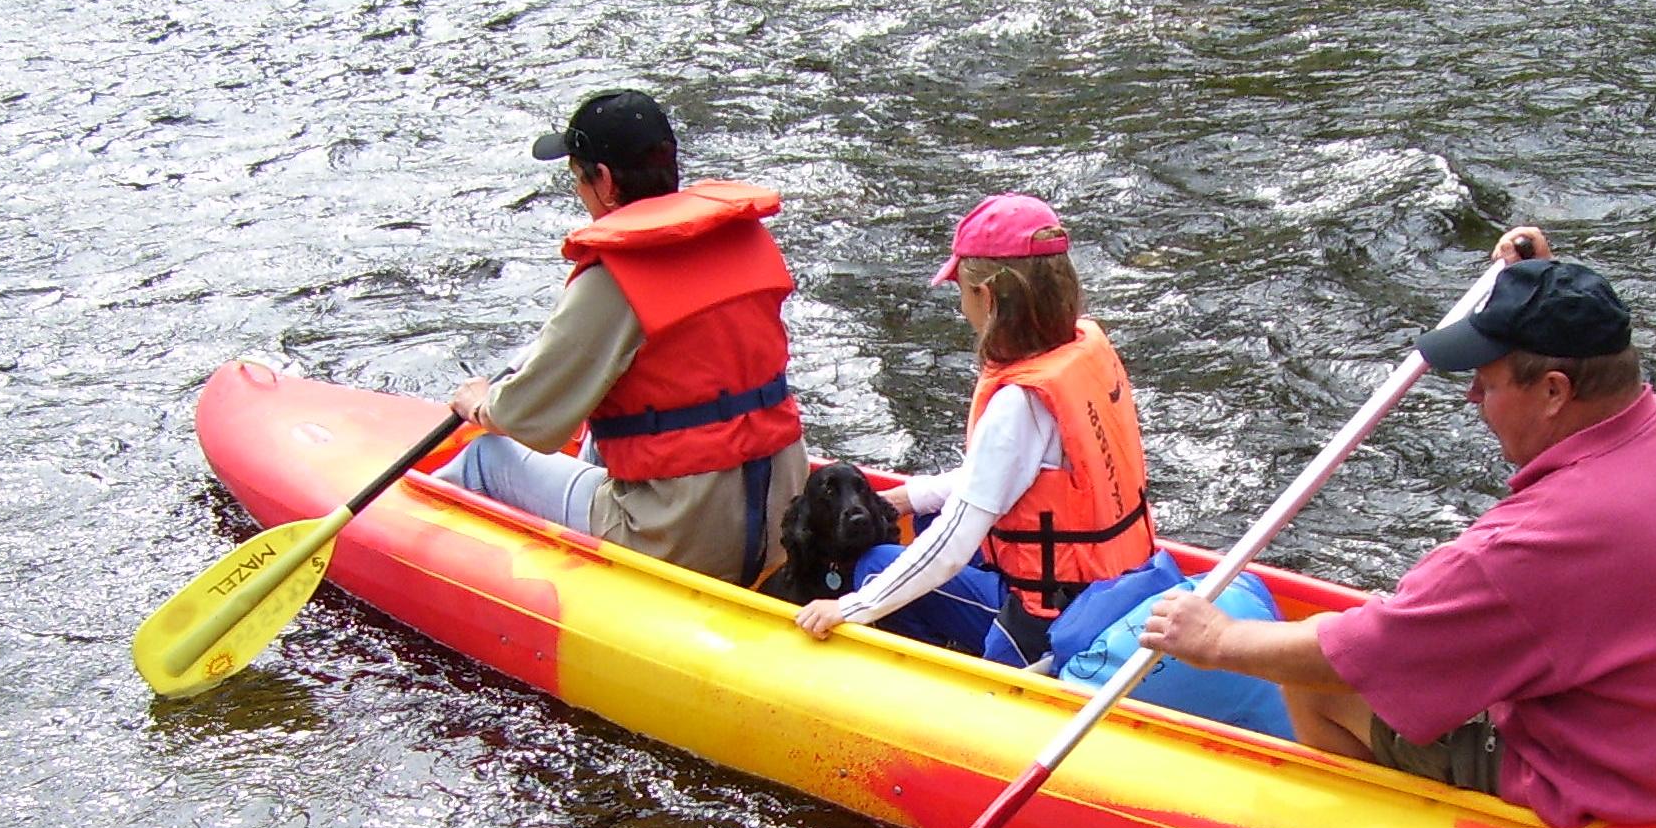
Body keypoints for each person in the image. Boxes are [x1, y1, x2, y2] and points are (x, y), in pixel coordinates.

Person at [1139, 229, 1656, 828]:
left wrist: (1219, 639)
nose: (1473, 396)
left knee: (1314, 680)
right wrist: (1534, 281)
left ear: (1554, 392)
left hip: (1620, 785)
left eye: (1487, 381)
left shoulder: (1530, 545)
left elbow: (1365, 657)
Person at [440, 89, 808, 586]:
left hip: (678, 537)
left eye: (577, 177)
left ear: (606, 181)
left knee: (486, 457)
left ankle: (426, 564)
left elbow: (525, 418)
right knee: (607, 427)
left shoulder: (612, 280)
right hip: (781, 517)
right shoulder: (746, 237)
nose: (580, 192)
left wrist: (481, 404)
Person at [794, 194, 1157, 666]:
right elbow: (1017, 474)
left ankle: (939, 672)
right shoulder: (1080, 353)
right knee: (925, 519)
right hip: (1119, 581)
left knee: (874, 565)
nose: (963, 307)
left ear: (986, 297)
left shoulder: (1019, 403)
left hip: (1053, 621)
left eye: (961, 292)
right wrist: (911, 497)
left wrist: (851, 607)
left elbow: (954, 543)